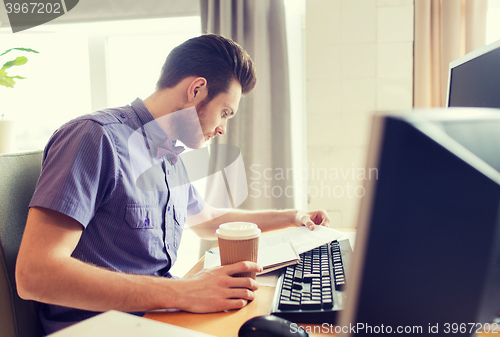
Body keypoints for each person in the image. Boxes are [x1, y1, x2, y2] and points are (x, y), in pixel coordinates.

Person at [15, 34, 330, 334]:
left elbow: (208, 220)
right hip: (100, 327)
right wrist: (183, 292)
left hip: (157, 314)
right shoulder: (95, 138)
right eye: (224, 112)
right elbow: (35, 275)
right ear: (196, 90)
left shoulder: (169, 153)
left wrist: (292, 217)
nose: (222, 129)